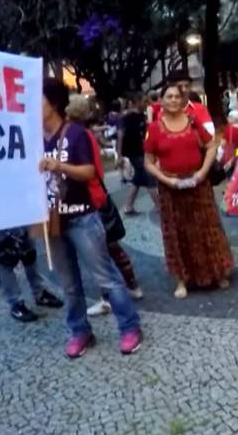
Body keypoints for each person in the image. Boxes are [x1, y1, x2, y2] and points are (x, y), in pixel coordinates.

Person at [40, 78, 143, 358]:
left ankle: (130, 327)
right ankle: (79, 331)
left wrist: (58, 165)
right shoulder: (32, 137)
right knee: (68, 283)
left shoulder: (76, 134)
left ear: (55, 103)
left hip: (82, 217)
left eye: (40, 100)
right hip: (52, 221)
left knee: (105, 276)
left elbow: (89, 172)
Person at [143, 84, 234, 298]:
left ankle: (216, 272)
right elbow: (149, 162)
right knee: (176, 233)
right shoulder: (154, 129)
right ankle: (181, 280)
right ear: (162, 101)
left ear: (183, 100)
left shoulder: (193, 122)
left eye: (177, 97)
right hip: (171, 187)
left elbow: (211, 145)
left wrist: (203, 172)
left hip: (198, 182)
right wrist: (166, 179)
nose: (173, 100)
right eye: (169, 96)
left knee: (207, 228)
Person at [66, 94, 145, 316]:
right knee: (110, 247)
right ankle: (131, 285)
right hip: (98, 195)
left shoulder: (78, 136)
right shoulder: (87, 134)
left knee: (101, 251)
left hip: (92, 198)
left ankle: (109, 296)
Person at [0, 228, 64, 322]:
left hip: (21, 220)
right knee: (5, 258)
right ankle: (16, 303)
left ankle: (39, 292)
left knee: (28, 251)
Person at [117, 92, 159, 215]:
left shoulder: (141, 116)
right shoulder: (127, 117)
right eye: (144, 101)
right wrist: (119, 154)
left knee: (138, 179)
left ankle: (128, 206)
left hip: (142, 150)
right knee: (149, 177)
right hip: (134, 152)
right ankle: (158, 206)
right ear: (136, 102)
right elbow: (120, 135)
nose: (146, 104)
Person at [150, 69, 215, 135]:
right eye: (180, 86)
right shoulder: (159, 112)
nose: (184, 90)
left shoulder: (200, 108)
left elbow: (210, 135)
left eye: (187, 86)